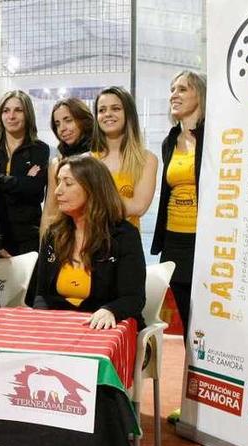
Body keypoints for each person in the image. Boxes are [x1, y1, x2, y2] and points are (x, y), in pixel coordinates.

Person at [33, 155, 146, 329]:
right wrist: (41, 322)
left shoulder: (124, 235)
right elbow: (39, 294)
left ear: (92, 189)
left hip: (105, 327)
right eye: (58, 182)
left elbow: (133, 298)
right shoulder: (53, 234)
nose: (57, 191)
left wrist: (111, 310)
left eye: (68, 183)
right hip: (59, 328)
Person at [151, 71, 206, 335]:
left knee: (209, 322)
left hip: (206, 241)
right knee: (187, 322)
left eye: (183, 89)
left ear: (201, 94)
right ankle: (192, 375)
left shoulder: (215, 137)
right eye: (173, 89)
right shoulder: (169, 141)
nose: (174, 94)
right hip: (174, 241)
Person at [0, 90, 50, 257]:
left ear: (27, 114)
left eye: (18, 110)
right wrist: (21, 181)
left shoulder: (39, 149)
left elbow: (34, 189)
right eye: (6, 110)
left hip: (28, 237)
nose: (11, 116)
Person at [89, 86, 158, 229]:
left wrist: (94, 204)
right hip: (91, 242)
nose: (107, 114)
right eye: (102, 110)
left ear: (129, 114)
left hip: (127, 245)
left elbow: (139, 207)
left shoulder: (146, 160)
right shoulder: (87, 160)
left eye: (115, 108)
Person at [41, 97, 95, 232]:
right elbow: (49, 213)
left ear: (83, 120)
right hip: (65, 238)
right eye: (57, 124)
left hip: (98, 236)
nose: (62, 129)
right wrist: (43, 250)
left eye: (68, 120)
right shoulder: (56, 163)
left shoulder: (100, 157)